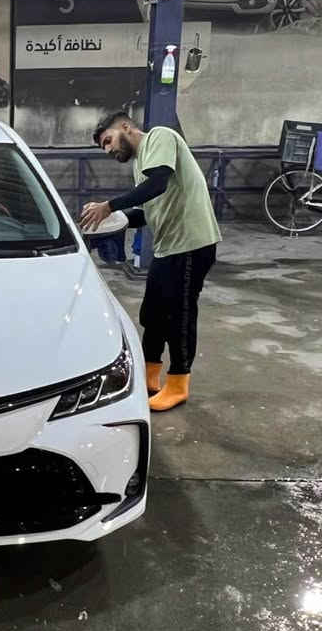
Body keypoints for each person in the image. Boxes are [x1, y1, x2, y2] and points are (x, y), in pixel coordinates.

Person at [80, 111, 220, 412]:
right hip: (168, 247)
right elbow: (147, 211)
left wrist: (109, 206)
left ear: (125, 127)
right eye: (104, 147)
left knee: (179, 315)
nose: (108, 150)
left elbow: (157, 185)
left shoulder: (160, 137)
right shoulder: (140, 166)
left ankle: (178, 383)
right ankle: (150, 376)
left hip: (191, 244)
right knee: (153, 315)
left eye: (108, 141)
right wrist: (114, 219)